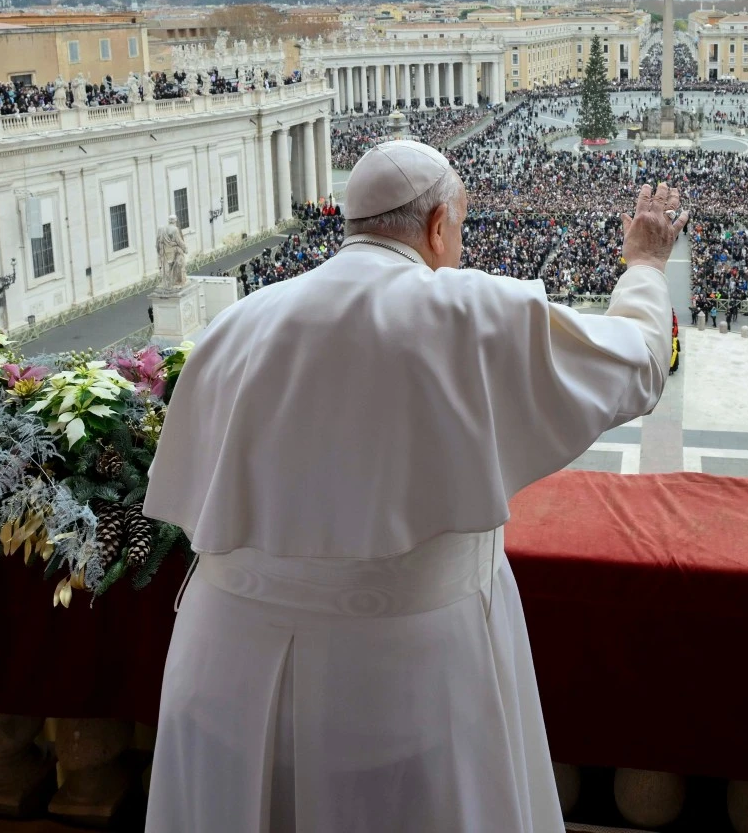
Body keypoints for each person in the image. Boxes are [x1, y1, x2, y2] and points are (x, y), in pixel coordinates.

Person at [143, 140, 686, 833]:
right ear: (437, 224)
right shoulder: (467, 309)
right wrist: (644, 263)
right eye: (457, 227)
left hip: (222, 668)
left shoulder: (237, 322)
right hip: (393, 681)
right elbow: (639, 363)